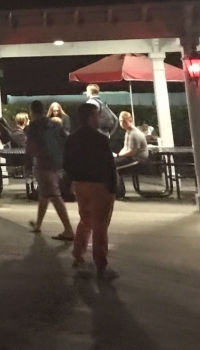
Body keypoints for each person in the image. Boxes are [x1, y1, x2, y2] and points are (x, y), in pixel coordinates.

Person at [64, 103, 119, 280]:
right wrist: (112, 187)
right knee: (100, 225)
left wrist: (73, 180)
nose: (99, 119)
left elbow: (66, 163)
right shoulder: (100, 139)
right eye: (96, 116)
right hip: (99, 185)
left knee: (85, 220)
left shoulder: (72, 138)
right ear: (89, 117)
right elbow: (109, 165)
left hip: (79, 184)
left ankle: (78, 255)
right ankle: (101, 264)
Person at [24, 100, 75, 241]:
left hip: (42, 163)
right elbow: (66, 140)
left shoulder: (34, 126)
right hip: (56, 162)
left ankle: (68, 230)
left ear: (32, 111)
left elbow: (29, 147)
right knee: (43, 194)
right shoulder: (55, 124)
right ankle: (38, 224)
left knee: (53, 194)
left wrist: (28, 166)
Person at [114, 111, 149, 199]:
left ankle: (119, 194)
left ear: (130, 120)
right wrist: (118, 155)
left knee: (113, 167)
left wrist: (118, 156)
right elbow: (125, 148)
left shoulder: (134, 134)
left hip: (138, 160)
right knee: (111, 163)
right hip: (132, 158)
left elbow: (132, 152)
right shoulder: (128, 132)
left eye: (124, 121)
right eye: (121, 121)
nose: (122, 123)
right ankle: (117, 192)